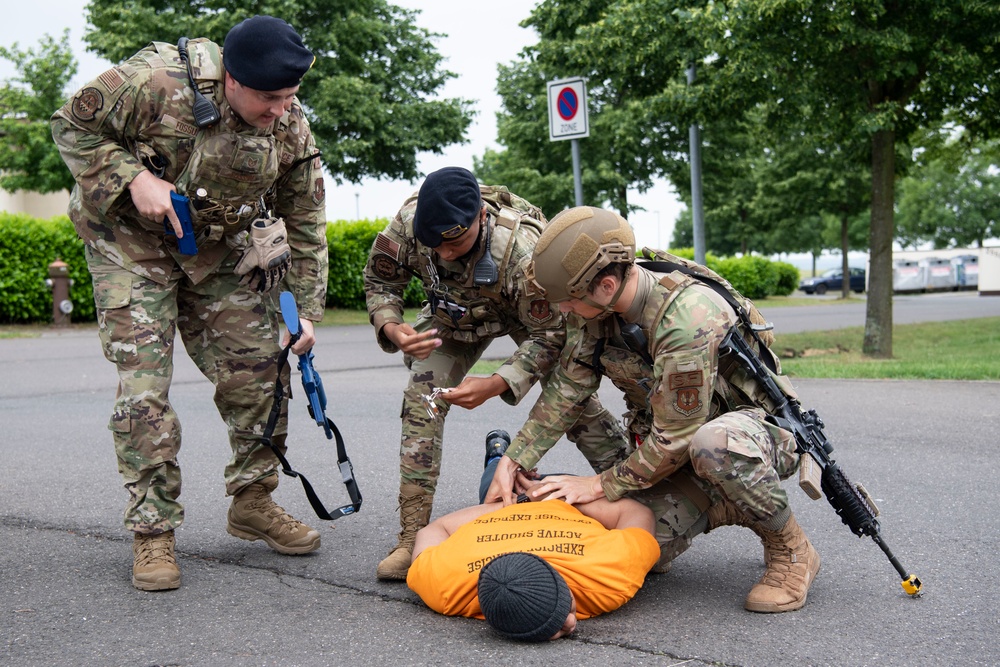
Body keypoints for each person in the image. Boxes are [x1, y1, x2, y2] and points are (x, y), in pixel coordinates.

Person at [50, 15, 329, 591]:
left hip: (214, 251)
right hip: (130, 246)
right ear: (231, 79)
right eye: (269, 97)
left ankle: (253, 501)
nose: (281, 109)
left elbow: (305, 220)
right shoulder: (154, 82)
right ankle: (153, 531)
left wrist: (306, 311)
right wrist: (132, 177)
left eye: (290, 97)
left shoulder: (290, 127)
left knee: (261, 371)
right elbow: (69, 126)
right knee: (145, 389)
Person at [486, 206, 821, 614]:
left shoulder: (686, 318)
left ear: (606, 285)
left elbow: (680, 436)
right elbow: (569, 388)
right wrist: (514, 459)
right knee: (647, 550)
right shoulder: (596, 306)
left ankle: (791, 549)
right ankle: (721, 502)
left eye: (567, 303)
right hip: (679, 444)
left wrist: (597, 486)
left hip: (751, 438)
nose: (563, 312)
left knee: (713, 444)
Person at [363, 167, 628, 581]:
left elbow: (551, 334)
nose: (445, 253)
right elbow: (380, 280)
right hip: (452, 317)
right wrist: (393, 328)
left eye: (455, 242)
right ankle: (411, 537)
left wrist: (497, 383)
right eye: (435, 245)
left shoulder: (523, 250)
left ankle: (636, 500)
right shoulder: (409, 225)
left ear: (480, 219)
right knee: (422, 400)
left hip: (529, 318)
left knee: (572, 403)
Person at [406, 431, 659, 641]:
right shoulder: (610, 581)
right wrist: (547, 498)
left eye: (565, 609)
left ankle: (501, 458)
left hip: (560, 491)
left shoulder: (446, 586)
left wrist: (521, 500)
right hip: (559, 501)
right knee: (498, 485)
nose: (571, 622)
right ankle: (501, 459)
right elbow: (636, 512)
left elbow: (433, 530)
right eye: (562, 622)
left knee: (494, 488)